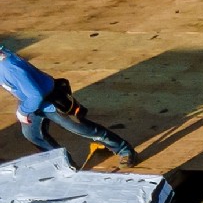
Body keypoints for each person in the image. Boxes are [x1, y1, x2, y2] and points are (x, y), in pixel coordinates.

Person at [0, 44, 135, 164]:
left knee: (82, 129)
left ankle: (123, 149)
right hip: (29, 102)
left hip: (50, 102)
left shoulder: (10, 68)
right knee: (33, 135)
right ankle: (62, 164)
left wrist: (22, 112)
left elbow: (36, 95)